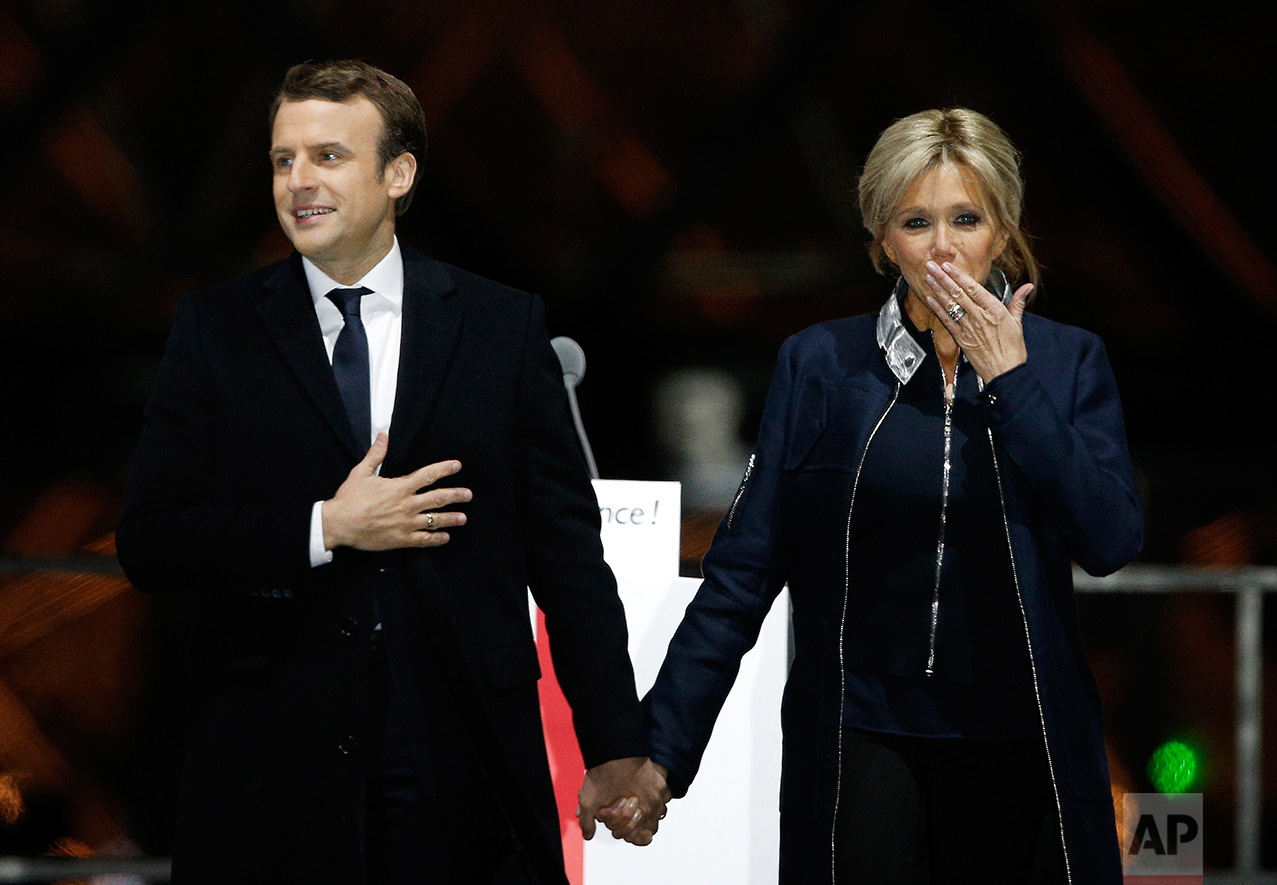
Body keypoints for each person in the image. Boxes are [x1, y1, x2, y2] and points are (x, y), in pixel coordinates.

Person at [116, 59, 664, 885]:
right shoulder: (214, 330)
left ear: (398, 173)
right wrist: (326, 527)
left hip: (460, 759)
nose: (298, 180)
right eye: (281, 159)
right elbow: (152, 540)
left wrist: (617, 745)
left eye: (328, 156)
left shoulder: (499, 327)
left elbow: (568, 563)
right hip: (273, 765)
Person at [630, 109, 1143, 882]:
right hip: (861, 731)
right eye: (915, 221)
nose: (942, 245)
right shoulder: (819, 364)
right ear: (883, 241)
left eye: (964, 219)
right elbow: (740, 572)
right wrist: (659, 754)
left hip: (1018, 733)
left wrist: (1012, 381)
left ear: (1000, 230)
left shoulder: (1067, 363)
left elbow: (1109, 540)